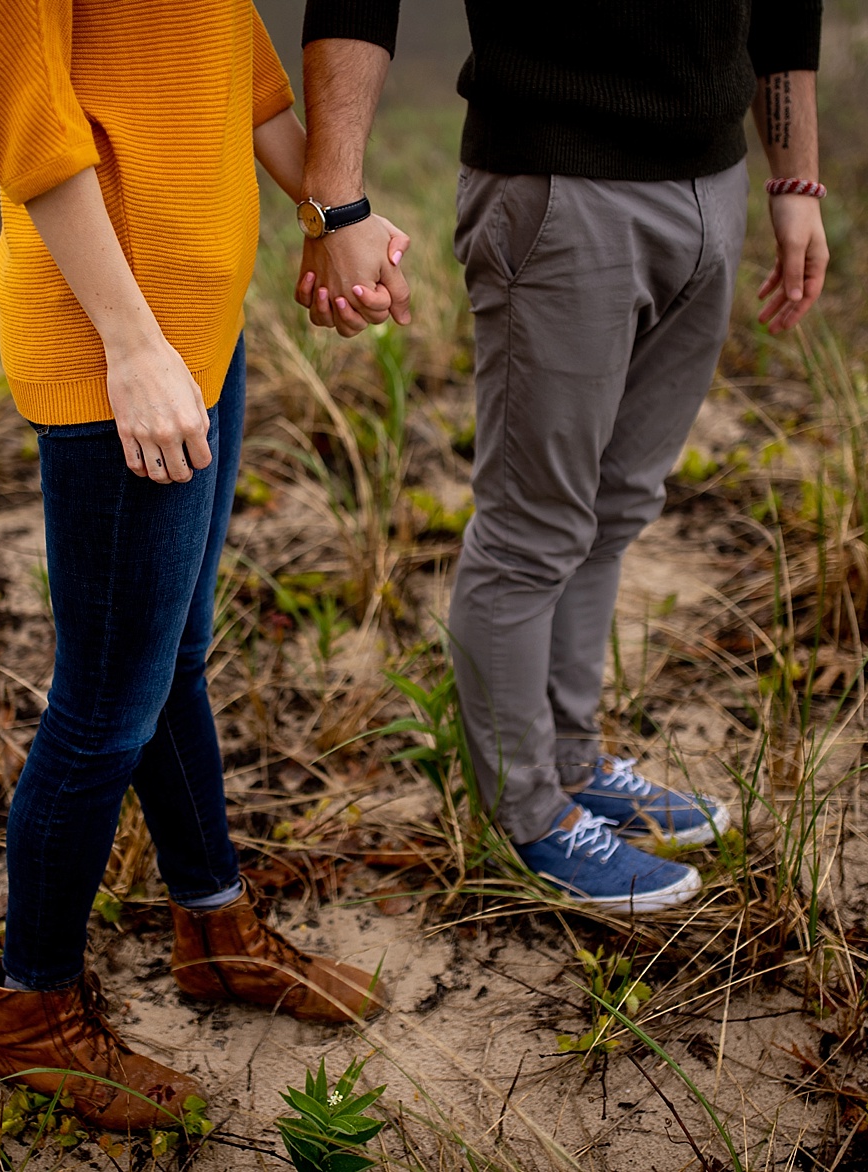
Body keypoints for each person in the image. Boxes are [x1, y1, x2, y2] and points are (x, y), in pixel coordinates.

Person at [0, 0, 406, 1131]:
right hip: (119, 349)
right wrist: (131, 344)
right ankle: (33, 1007)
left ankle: (215, 928)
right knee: (103, 709)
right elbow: (18, 105)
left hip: (198, 329)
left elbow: (228, 62)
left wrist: (336, 214)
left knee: (169, 662)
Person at [296, 1, 830, 910]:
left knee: (620, 501)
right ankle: (528, 816)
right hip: (558, 182)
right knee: (533, 525)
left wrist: (795, 181)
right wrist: (334, 198)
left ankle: (572, 764)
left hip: (716, 180)